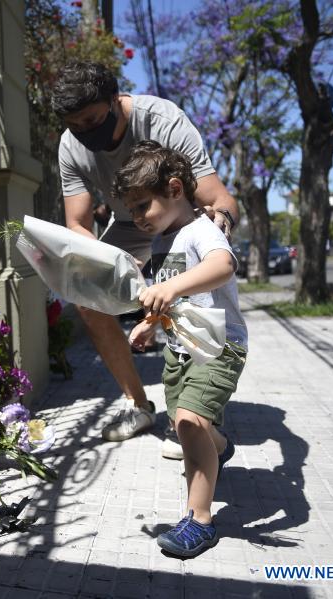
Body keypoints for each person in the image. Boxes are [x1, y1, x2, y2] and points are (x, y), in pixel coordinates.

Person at [51, 60, 239, 454]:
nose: (84, 132)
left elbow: (217, 198)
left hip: (175, 218)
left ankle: (200, 410)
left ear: (115, 100)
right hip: (126, 225)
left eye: (92, 120)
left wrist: (212, 231)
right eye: (75, 125)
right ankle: (138, 404)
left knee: (189, 293)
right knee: (86, 296)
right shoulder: (71, 145)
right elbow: (77, 224)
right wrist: (114, 267)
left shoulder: (162, 120)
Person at [116, 140, 247, 557]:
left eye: (142, 207)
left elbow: (222, 266)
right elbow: (170, 299)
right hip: (180, 349)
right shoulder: (160, 242)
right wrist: (149, 324)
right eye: (131, 210)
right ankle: (220, 447)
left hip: (218, 346)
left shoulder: (200, 230)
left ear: (174, 189)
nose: (137, 219)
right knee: (191, 425)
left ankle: (201, 521)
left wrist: (169, 285)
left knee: (188, 423)